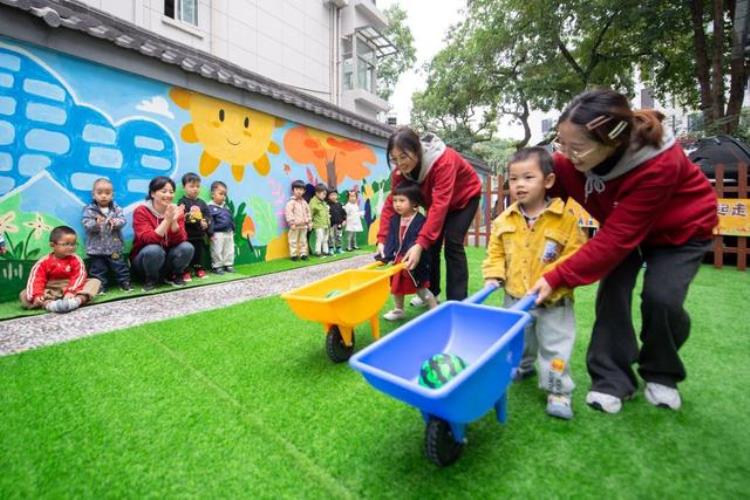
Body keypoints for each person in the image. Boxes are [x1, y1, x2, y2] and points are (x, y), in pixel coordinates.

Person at [530, 89, 718, 414]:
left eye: (576, 148)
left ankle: (661, 372)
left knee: (662, 301)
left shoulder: (659, 163)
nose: (565, 154)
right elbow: (544, 187)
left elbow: (617, 239)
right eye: (561, 142)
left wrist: (558, 274)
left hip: (680, 231)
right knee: (613, 292)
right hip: (622, 224)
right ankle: (611, 380)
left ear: (612, 143)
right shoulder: (570, 161)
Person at [483, 147, 586, 420]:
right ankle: (523, 365)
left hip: (554, 301)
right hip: (515, 296)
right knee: (519, 340)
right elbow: (495, 252)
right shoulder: (504, 220)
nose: (519, 185)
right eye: (514, 179)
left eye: (528, 177)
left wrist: (553, 279)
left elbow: (576, 256)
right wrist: (493, 274)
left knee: (555, 347)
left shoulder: (564, 219)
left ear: (548, 181)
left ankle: (558, 390)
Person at [377, 127, 482, 304]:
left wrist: (420, 243)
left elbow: (440, 205)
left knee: (452, 243)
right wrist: (382, 239)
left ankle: (457, 302)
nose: (400, 164)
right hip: (438, 203)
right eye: (394, 159)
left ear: (417, 150)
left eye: (403, 157)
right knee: (430, 246)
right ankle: (431, 293)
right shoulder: (399, 173)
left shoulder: (444, 161)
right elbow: (391, 204)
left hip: (465, 199)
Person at [379, 182, 438, 321]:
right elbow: (392, 238)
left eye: (402, 200)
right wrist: (386, 255)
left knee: (420, 286)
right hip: (399, 259)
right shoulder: (394, 219)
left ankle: (434, 308)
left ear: (414, 203)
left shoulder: (421, 220)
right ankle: (399, 309)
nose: (397, 204)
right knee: (396, 287)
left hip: (414, 260)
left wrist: (415, 254)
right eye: (395, 201)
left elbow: (421, 242)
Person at [130, 176, 194, 291]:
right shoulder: (141, 211)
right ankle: (151, 279)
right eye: (164, 191)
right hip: (145, 262)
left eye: (171, 192)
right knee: (154, 250)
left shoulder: (175, 210)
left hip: (166, 260)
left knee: (187, 247)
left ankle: (175, 275)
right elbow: (149, 239)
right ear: (153, 193)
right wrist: (167, 220)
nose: (168, 195)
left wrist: (174, 220)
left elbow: (181, 239)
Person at [20, 225, 101, 313]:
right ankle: (48, 304)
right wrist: (37, 295)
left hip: (72, 287)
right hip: (51, 290)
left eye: (73, 244)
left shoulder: (76, 259)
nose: (71, 247)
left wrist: (71, 291)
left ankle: (77, 301)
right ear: (52, 245)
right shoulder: (44, 262)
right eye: (66, 244)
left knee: (95, 282)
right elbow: (36, 279)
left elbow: (79, 276)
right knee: (25, 294)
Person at [81, 178, 132, 294]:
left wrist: (115, 222)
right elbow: (86, 224)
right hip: (96, 248)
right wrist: (95, 223)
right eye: (100, 193)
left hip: (114, 246)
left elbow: (123, 221)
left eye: (107, 193)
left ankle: (125, 283)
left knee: (120, 266)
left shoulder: (116, 209)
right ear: (93, 195)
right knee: (98, 269)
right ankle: (100, 286)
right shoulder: (89, 210)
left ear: (112, 195)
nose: (103, 196)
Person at [178, 172, 212, 281]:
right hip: (186, 236)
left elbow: (208, 215)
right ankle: (186, 271)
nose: (195, 189)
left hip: (199, 235)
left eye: (197, 186)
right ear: (184, 187)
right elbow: (180, 217)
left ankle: (199, 269)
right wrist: (188, 217)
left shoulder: (202, 203)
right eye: (191, 186)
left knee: (198, 254)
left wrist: (205, 221)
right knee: (187, 254)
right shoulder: (182, 202)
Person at [207, 181, 235, 274]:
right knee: (217, 249)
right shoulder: (210, 207)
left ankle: (228, 264)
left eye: (225, 194)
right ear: (212, 194)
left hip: (228, 232)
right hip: (217, 232)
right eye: (221, 193)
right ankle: (217, 266)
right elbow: (210, 221)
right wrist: (210, 233)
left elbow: (230, 218)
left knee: (229, 249)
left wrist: (233, 228)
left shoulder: (225, 207)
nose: (223, 196)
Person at [285, 179, 311, 261]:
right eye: (297, 189)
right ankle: (294, 255)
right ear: (293, 190)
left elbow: (308, 212)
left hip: (304, 225)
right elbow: (288, 212)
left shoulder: (304, 202)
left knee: (303, 240)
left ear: (304, 191)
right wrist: (291, 222)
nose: (299, 191)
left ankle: (303, 254)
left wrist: (309, 222)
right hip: (295, 225)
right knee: (293, 240)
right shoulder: (291, 202)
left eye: (301, 190)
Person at [309, 183, 331, 257]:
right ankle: (318, 251)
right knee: (320, 238)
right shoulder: (313, 202)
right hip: (318, 224)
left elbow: (326, 213)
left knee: (325, 238)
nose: (324, 196)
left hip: (325, 224)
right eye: (323, 194)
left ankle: (326, 251)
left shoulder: (324, 202)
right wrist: (310, 222)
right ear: (317, 193)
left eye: (325, 194)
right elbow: (310, 213)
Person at [327, 189, 347, 255]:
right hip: (331, 224)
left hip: (339, 224)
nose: (333, 196)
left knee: (339, 236)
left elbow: (343, 213)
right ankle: (331, 248)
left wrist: (344, 220)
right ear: (328, 196)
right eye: (331, 195)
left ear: (337, 196)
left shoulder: (340, 204)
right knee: (331, 236)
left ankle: (339, 248)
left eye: (334, 195)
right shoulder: (327, 205)